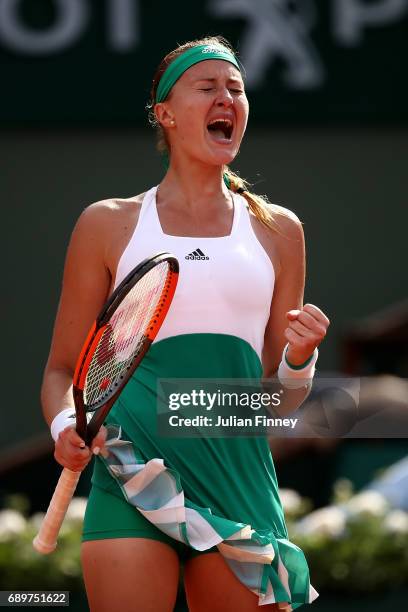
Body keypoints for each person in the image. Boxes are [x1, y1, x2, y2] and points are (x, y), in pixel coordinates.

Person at [41, 36, 330, 611]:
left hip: (237, 478)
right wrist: (65, 428)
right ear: (166, 114)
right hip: (131, 475)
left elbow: (279, 403)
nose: (227, 98)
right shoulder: (106, 224)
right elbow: (59, 370)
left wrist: (301, 359)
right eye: (208, 87)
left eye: (237, 90)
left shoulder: (280, 231)